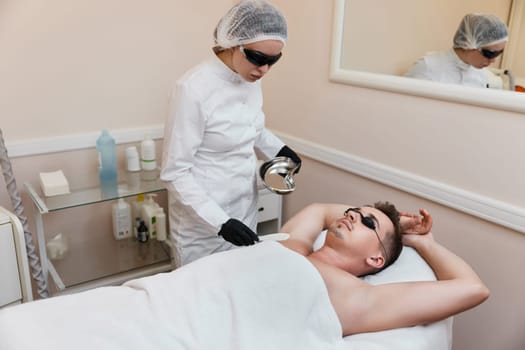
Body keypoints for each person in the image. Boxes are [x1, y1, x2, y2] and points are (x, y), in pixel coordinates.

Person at [161, 0, 302, 266]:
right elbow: (174, 173)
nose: (264, 70)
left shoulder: (250, 78)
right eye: (258, 59)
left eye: (273, 61)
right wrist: (221, 222)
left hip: (245, 210)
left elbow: (250, 128)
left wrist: (280, 150)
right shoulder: (192, 89)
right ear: (233, 43)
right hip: (202, 225)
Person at [279, 202, 489, 335]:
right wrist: (397, 222)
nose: (352, 216)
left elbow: (474, 288)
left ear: (376, 259)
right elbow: (320, 209)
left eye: (369, 222)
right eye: (352, 212)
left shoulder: (354, 296)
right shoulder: (294, 246)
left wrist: (424, 243)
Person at [405, 13, 508, 88]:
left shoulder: (481, 74)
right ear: (469, 43)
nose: (493, 60)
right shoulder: (427, 67)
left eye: (499, 53)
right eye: (489, 53)